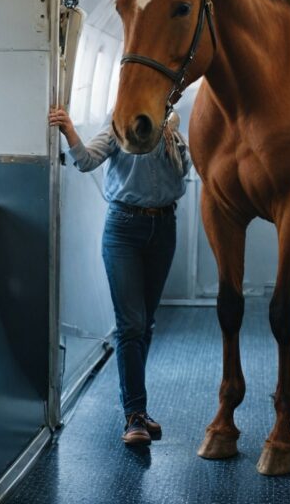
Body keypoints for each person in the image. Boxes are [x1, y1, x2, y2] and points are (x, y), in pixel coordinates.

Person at [49, 106, 191, 446]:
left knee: (146, 323)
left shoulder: (172, 131)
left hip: (163, 227)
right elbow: (85, 161)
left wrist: (173, 138)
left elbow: (183, 173)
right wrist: (69, 128)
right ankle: (134, 415)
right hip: (123, 229)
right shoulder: (118, 126)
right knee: (130, 325)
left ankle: (138, 408)